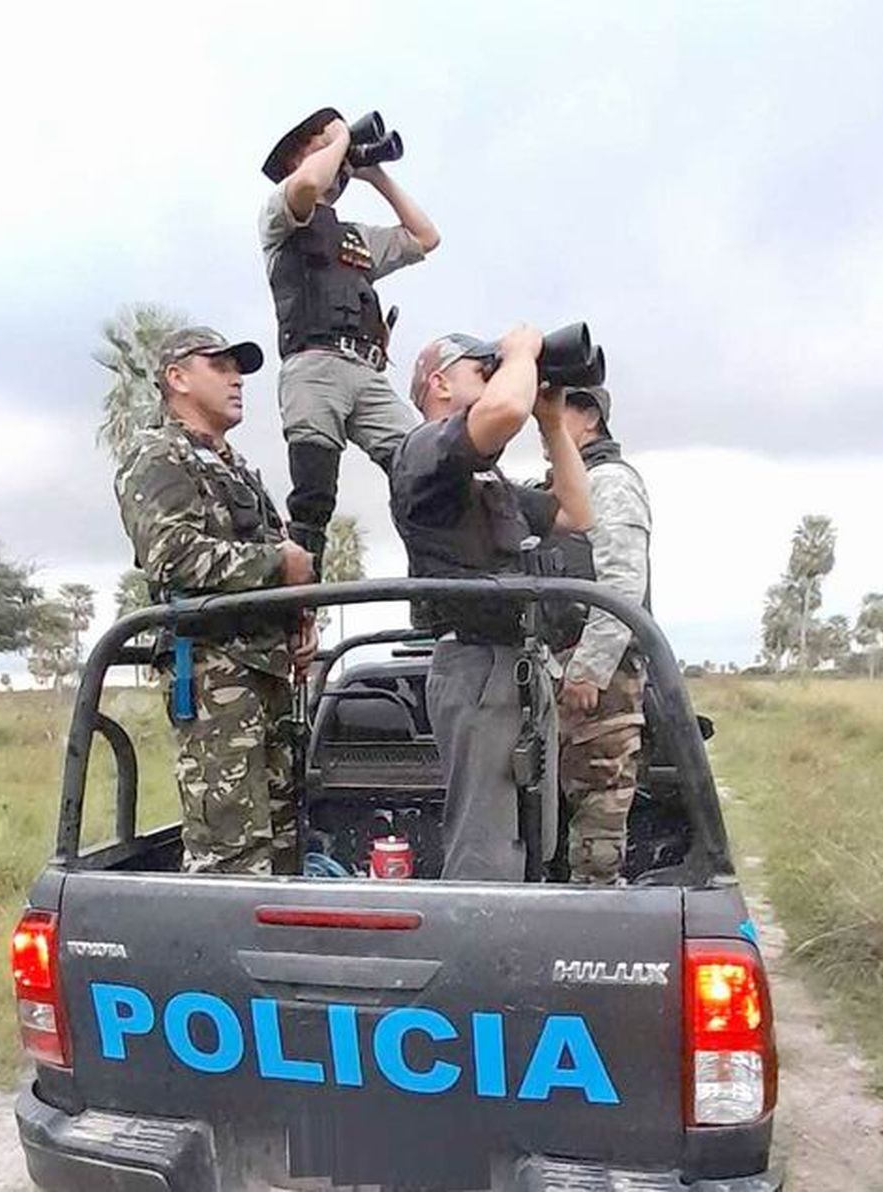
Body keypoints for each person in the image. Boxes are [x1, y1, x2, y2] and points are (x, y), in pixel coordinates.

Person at [389, 327, 593, 881]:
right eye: (484, 369)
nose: (498, 375)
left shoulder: (487, 479)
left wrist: (552, 421)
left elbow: (576, 513)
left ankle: (517, 945)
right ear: (440, 384)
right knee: (486, 846)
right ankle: (478, 954)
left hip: (520, 665)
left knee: (535, 837)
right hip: (477, 666)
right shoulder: (422, 450)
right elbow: (503, 412)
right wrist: (523, 351)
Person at [114, 326, 317, 875]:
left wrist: (301, 618)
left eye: (240, 369)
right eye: (220, 367)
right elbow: (172, 557)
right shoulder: (156, 455)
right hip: (214, 672)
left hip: (267, 668)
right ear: (177, 378)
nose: (237, 380)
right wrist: (281, 565)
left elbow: (274, 548)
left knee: (283, 842)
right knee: (231, 850)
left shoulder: (236, 466)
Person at [260, 107, 441, 567]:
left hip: (367, 370)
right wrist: (340, 138)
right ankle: (299, 608)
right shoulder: (281, 213)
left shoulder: (354, 238)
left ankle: (432, 589)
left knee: (422, 466)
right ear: (295, 158)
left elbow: (425, 236)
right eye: (318, 143)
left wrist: (374, 174)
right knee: (314, 496)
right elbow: (305, 187)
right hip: (315, 364)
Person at [553, 385, 653, 884]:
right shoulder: (564, 484)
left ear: (588, 416)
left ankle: (596, 918)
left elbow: (621, 583)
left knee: (598, 815)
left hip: (601, 684)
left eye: (560, 408)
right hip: (562, 671)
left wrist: (589, 667)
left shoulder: (609, 482)